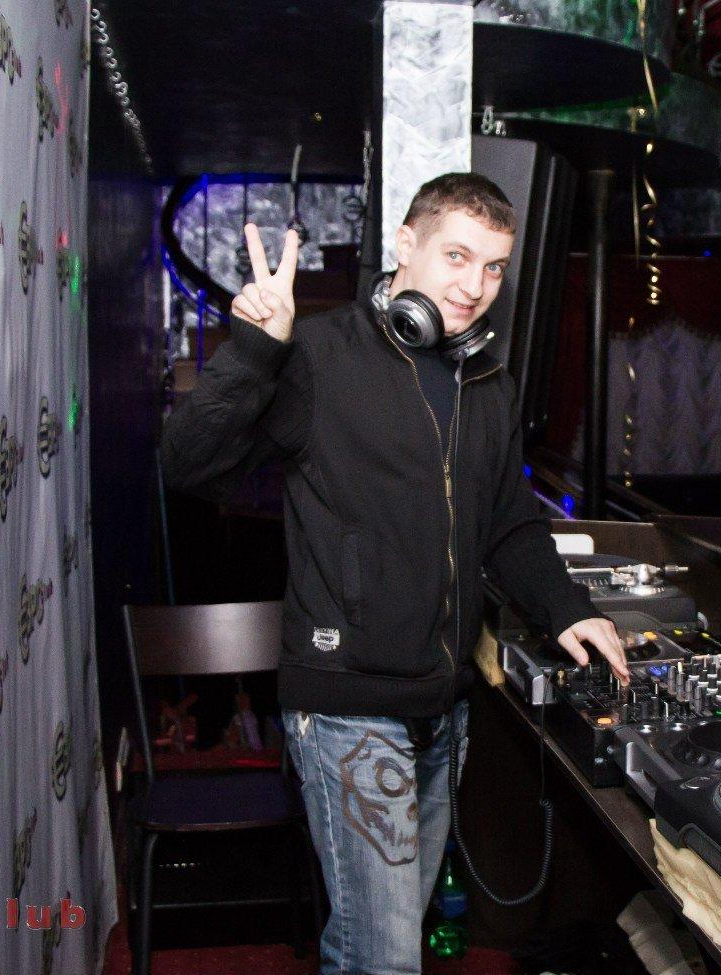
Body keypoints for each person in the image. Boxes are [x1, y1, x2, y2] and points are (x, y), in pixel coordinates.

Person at [161, 172, 629, 975]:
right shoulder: (318, 356)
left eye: (493, 267)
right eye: (456, 256)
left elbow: (507, 523)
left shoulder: (486, 380)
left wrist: (567, 606)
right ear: (404, 244)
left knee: (382, 943)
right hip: (347, 704)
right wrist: (255, 352)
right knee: (383, 959)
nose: (474, 286)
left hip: (442, 709)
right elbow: (186, 463)